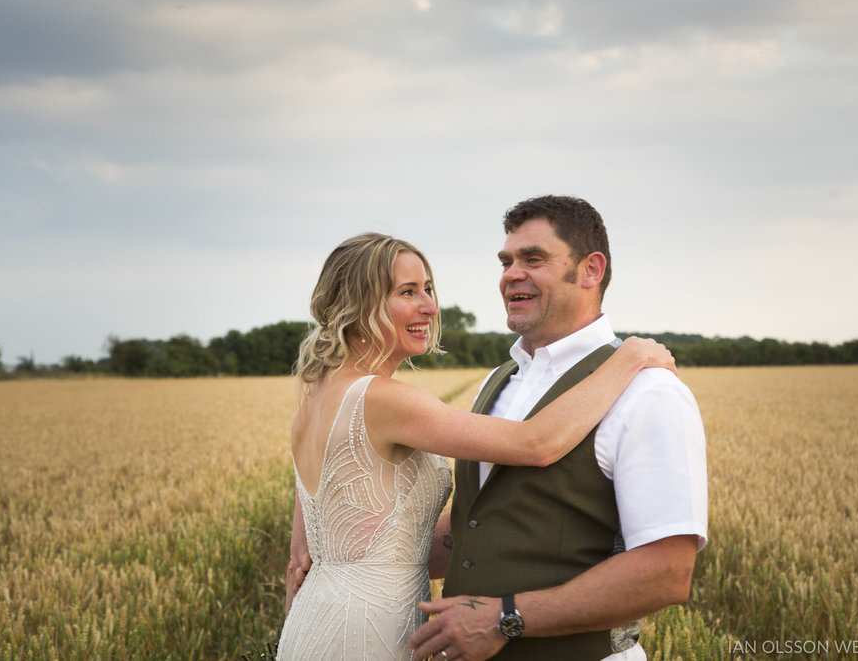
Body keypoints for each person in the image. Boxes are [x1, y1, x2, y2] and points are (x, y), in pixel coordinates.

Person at [277, 232, 678, 660]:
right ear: (358, 306)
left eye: (428, 289)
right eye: (407, 292)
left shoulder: (315, 398)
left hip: (315, 617)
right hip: (369, 627)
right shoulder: (383, 398)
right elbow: (536, 443)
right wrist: (628, 359)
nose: (430, 307)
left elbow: (315, 545)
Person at [408, 196, 708, 661]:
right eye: (506, 261)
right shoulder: (498, 380)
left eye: (534, 259)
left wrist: (504, 618)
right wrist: (348, 558)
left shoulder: (649, 393)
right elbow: (487, 522)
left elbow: (665, 572)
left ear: (591, 270)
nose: (510, 274)